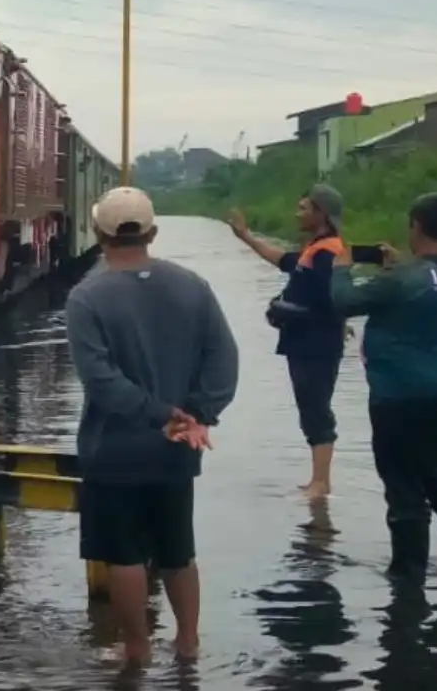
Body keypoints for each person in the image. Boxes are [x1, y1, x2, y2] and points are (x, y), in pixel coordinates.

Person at [67, 186, 240, 668]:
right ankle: (188, 644)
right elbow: (222, 360)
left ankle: (137, 650)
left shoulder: (86, 297)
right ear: (153, 232)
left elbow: (100, 380)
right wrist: (196, 416)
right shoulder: (192, 286)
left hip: (114, 450)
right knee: (178, 552)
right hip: (178, 450)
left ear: (99, 233)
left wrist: (159, 415)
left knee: (123, 556)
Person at [331, 191, 437, 582]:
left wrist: (342, 268)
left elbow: (344, 301)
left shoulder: (404, 278)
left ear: (416, 226)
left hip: (401, 394)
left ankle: (407, 580)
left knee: (404, 487)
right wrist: (393, 269)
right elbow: (417, 293)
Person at [229, 184, 348, 500]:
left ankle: (321, 483)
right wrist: (245, 236)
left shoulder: (327, 251)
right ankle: (317, 480)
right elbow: (282, 260)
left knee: (316, 408)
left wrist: (298, 314)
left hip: (317, 343)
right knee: (309, 406)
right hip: (305, 341)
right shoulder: (315, 248)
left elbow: (335, 296)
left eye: (304, 208)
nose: (298, 213)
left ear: (320, 213)